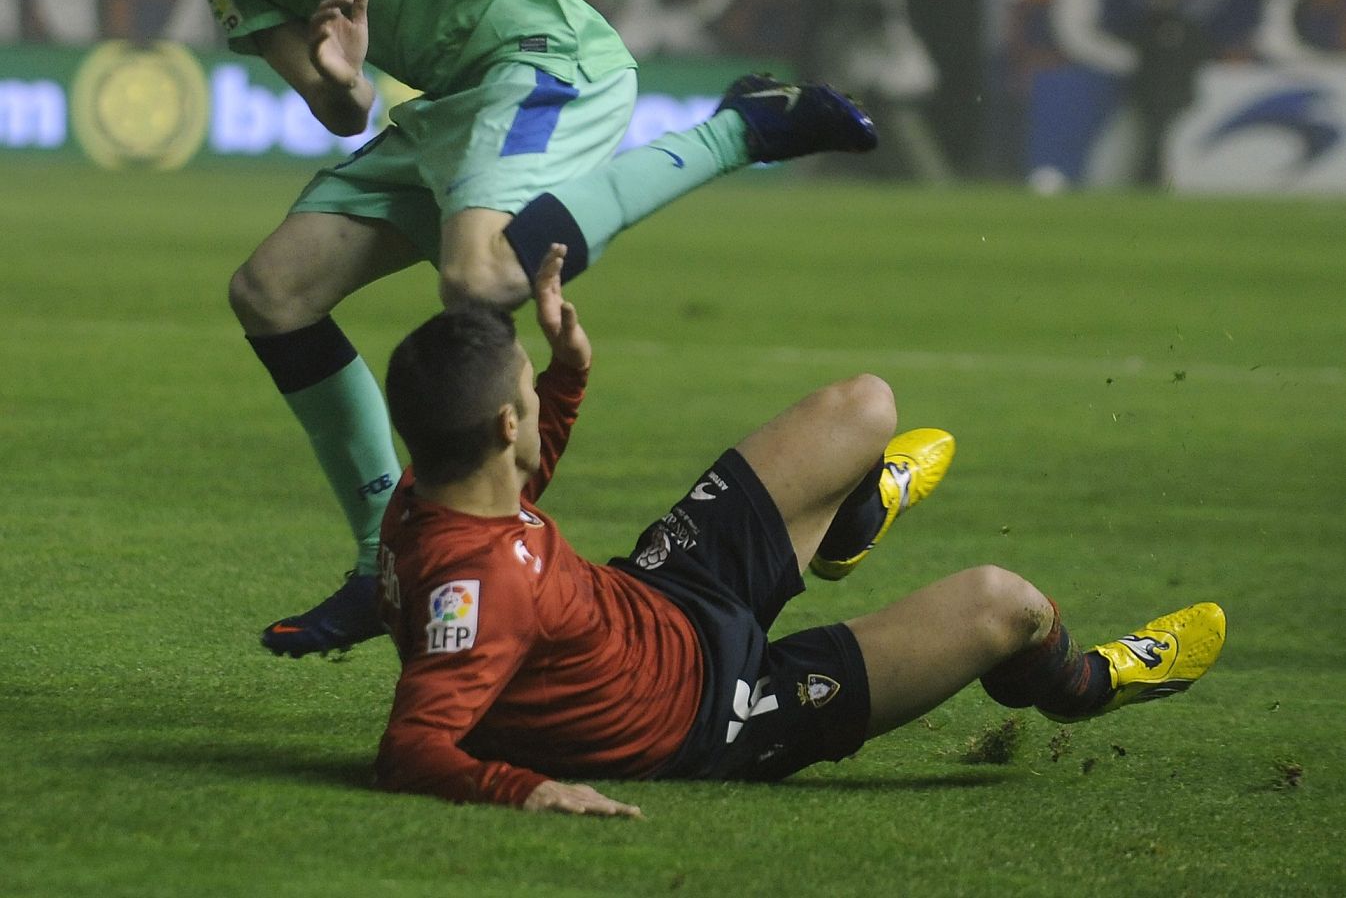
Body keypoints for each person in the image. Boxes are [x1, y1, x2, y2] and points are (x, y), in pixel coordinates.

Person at [51, 0, 878, 658]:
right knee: (272, 291)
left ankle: (742, 125)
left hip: (540, 58)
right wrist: (340, 71)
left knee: (479, 273)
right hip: (450, 105)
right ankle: (377, 562)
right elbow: (332, 103)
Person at [374, 243, 1226, 814]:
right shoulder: (477, 587)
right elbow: (415, 745)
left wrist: (565, 369)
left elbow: (521, 475)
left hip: (662, 592)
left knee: (867, 405)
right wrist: (531, 791)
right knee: (1008, 606)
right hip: (717, 712)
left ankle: (845, 528)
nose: (533, 409)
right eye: (526, 394)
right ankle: (1083, 683)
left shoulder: (435, 485)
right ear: (501, 427)